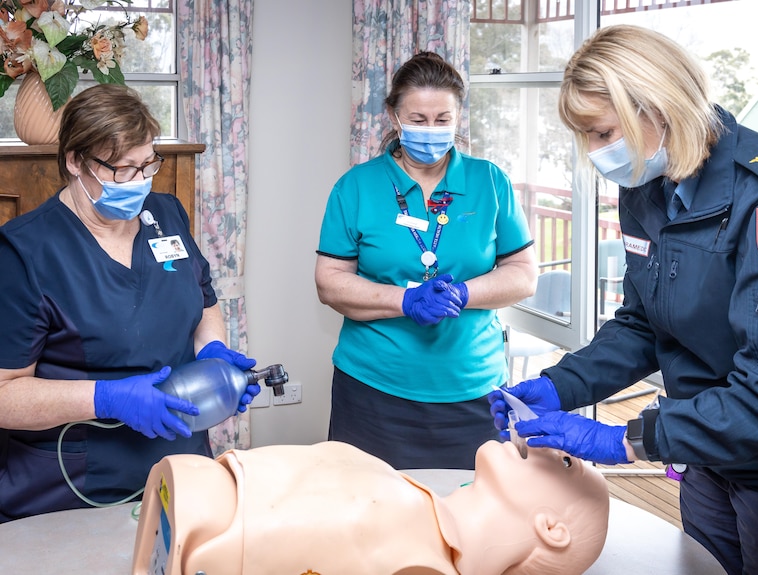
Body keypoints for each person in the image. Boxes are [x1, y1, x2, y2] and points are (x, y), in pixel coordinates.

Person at [489, 24, 758, 574]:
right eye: (586, 136)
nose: (595, 153)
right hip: (708, 456)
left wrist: (629, 439)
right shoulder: (647, 185)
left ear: (658, 108)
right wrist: (559, 385)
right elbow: (644, 324)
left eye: (602, 132)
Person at [0, 84, 259, 522]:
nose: (139, 182)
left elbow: (203, 299)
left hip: (181, 466)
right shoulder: (26, 252)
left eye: (147, 165)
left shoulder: (166, 214)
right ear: (75, 161)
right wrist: (107, 398)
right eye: (122, 169)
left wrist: (212, 353)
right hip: (73, 483)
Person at [315, 51, 538, 469]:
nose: (431, 131)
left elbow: (523, 276)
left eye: (443, 120)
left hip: (474, 392)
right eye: (418, 120)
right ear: (394, 118)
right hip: (373, 389)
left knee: (472, 518)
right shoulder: (356, 187)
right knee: (373, 518)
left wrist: (462, 292)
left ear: (458, 117)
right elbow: (329, 282)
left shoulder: (490, 181)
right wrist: (405, 301)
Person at [131, 439, 609, 575]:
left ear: (552, 528)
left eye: (565, 461)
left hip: (200, 528)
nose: (545, 444)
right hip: (196, 488)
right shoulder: (409, 496)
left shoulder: (423, 563)